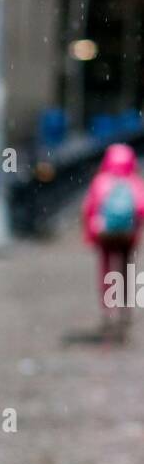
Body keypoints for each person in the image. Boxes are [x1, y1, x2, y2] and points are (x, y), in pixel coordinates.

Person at [82, 142, 144, 340]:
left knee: (107, 271)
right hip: (127, 237)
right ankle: (125, 310)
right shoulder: (133, 181)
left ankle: (108, 310)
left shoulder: (101, 181)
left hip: (106, 237)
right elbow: (141, 208)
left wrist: (92, 234)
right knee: (126, 272)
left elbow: (89, 209)